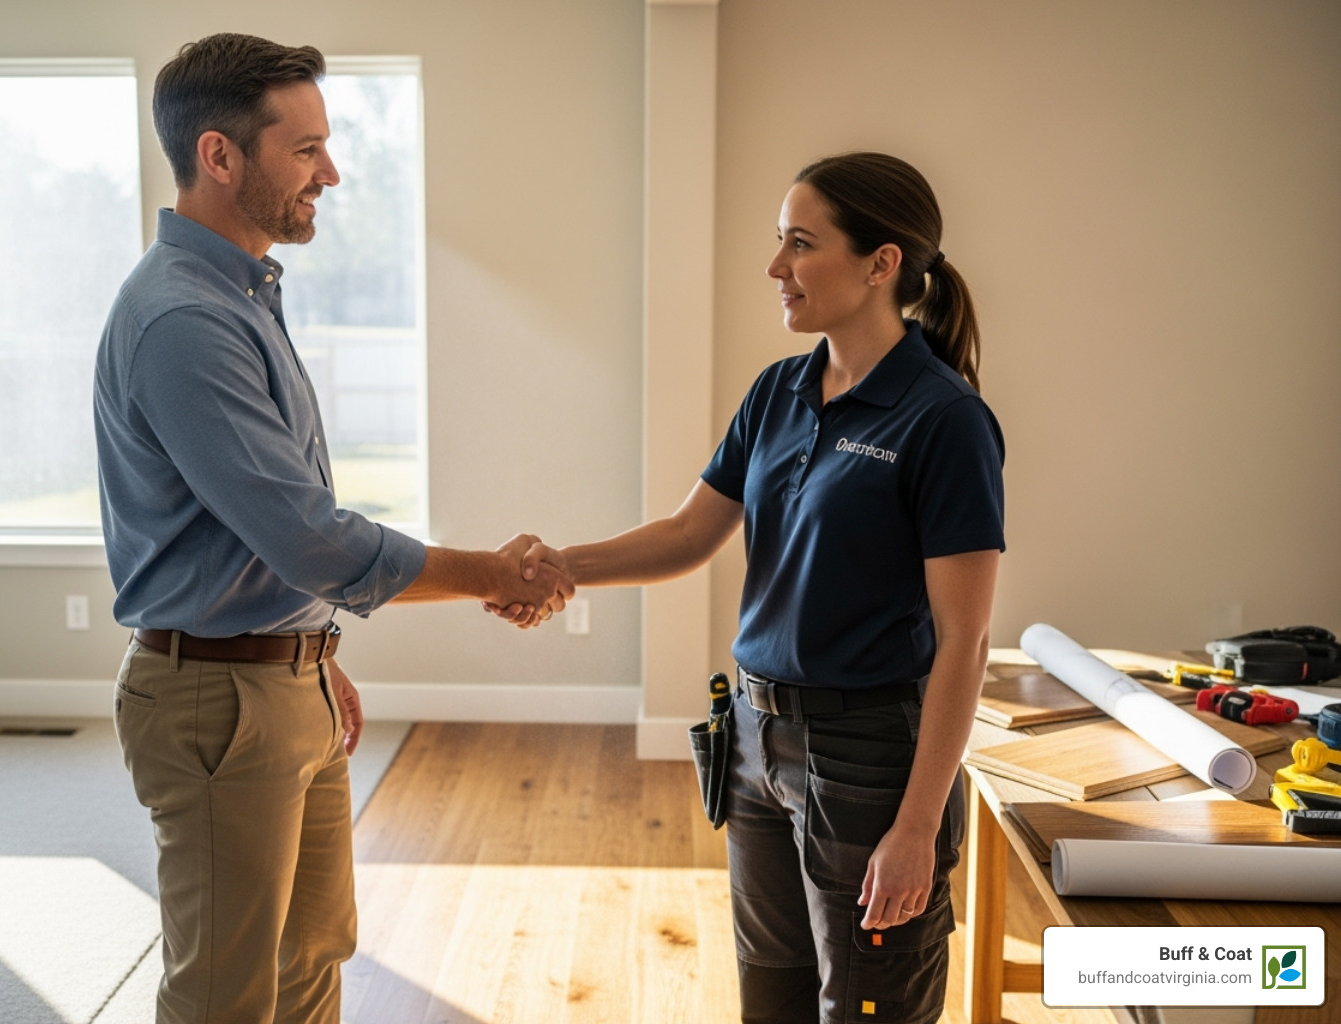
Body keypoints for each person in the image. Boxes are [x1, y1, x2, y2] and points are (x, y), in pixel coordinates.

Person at [93, 33, 569, 1024]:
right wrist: (492, 571)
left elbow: (266, 531)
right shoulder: (184, 319)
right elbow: (309, 532)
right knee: (225, 993)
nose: (332, 173)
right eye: (305, 149)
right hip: (219, 704)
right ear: (220, 155)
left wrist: (308, 646)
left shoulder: (243, 294)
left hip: (279, 678)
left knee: (314, 954)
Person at [494, 152, 1003, 1024]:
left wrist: (917, 826)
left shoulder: (944, 420)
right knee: (770, 996)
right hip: (757, 748)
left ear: (882, 264)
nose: (776, 268)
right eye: (779, 242)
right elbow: (692, 532)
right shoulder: (780, 390)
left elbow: (967, 642)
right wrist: (561, 565)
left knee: (867, 1007)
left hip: (871, 763)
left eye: (800, 245)